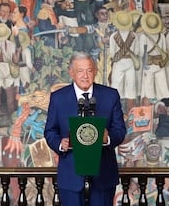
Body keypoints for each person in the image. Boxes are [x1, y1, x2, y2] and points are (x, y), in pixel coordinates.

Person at [44, 52, 126, 206]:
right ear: (71, 73)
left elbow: (120, 130)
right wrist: (61, 144)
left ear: (95, 71)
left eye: (89, 70)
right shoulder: (58, 98)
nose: (85, 76)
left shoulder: (110, 96)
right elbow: (50, 131)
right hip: (70, 175)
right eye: (80, 71)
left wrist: (107, 138)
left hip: (103, 175)